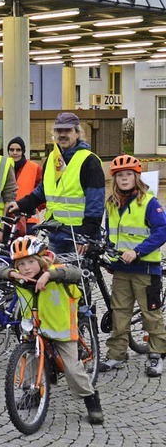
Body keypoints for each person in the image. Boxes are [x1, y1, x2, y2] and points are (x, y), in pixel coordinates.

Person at [0, 235, 104, 425]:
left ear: (41, 260)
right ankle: (34, 392)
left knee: (71, 368)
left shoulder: (55, 272)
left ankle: (91, 399)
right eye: (21, 264)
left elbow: (74, 272)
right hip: (35, 327)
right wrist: (11, 274)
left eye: (31, 262)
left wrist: (49, 274)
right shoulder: (21, 277)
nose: (26, 268)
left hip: (61, 329)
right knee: (30, 359)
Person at [98, 155, 166, 377]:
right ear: (114, 179)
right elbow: (112, 236)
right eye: (119, 175)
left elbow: (162, 230)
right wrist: (110, 255)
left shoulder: (148, 202)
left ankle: (157, 353)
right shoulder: (112, 203)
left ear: (136, 177)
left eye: (128, 174)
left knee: (151, 314)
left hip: (146, 269)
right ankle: (116, 354)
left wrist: (137, 251)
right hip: (121, 270)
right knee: (119, 313)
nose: (124, 179)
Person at [7, 112, 105, 254]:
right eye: (59, 130)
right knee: (54, 275)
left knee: (78, 276)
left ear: (77, 133)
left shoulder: (89, 161)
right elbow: (42, 191)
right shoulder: (53, 158)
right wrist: (20, 204)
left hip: (78, 237)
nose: (62, 134)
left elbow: (95, 203)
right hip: (56, 234)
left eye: (67, 130)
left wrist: (86, 236)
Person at [7, 136, 43, 235]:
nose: (15, 153)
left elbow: (43, 190)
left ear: (23, 152)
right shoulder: (3, 168)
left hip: (29, 220)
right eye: (11, 150)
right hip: (8, 218)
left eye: (18, 150)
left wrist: (36, 208)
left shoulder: (35, 168)